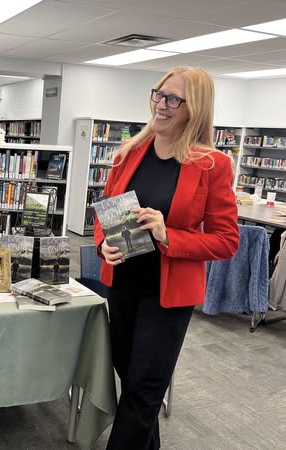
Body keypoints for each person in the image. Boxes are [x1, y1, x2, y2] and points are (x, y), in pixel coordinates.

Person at [94, 66, 240, 450]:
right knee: (130, 379)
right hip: (122, 284)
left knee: (145, 388)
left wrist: (167, 234)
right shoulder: (128, 153)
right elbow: (105, 212)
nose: (161, 104)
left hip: (167, 296)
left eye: (174, 99)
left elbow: (226, 241)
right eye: (158, 94)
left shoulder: (212, 165)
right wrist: (102, 245)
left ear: (195, 109)